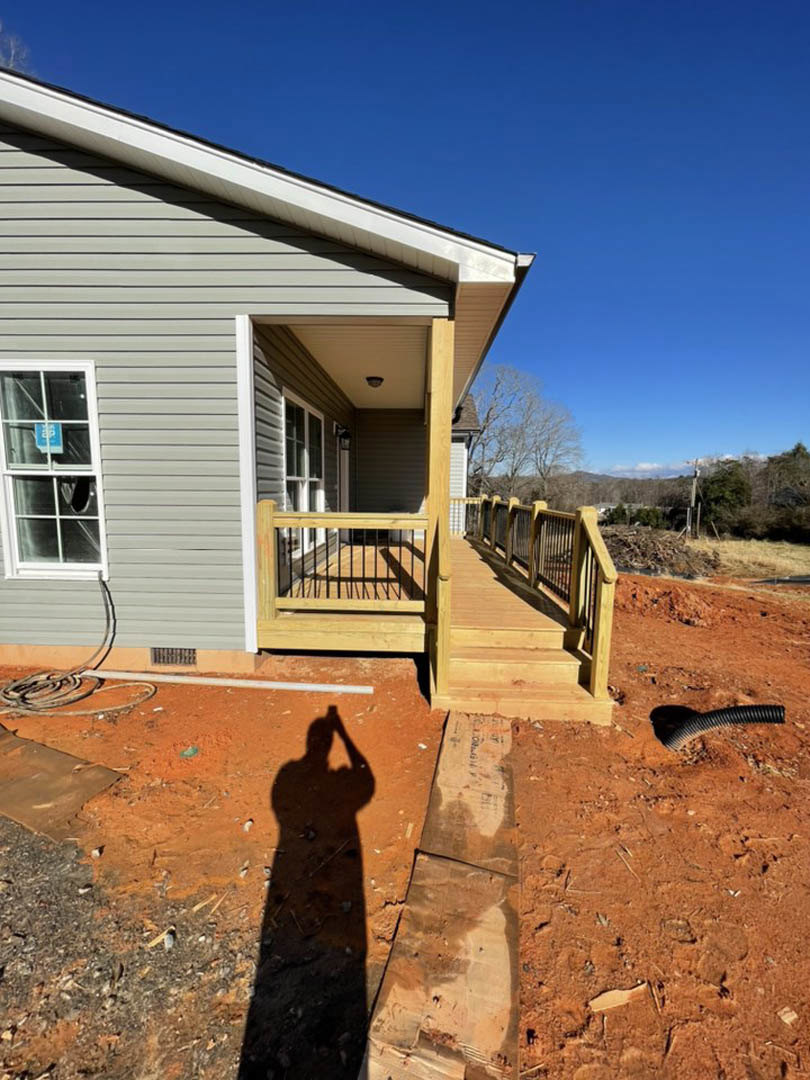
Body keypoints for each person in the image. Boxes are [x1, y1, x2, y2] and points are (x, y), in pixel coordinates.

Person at [239, 705, 375, 1078]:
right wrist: (346, 738)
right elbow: (366, 783)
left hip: (292, 870)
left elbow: (281, 806)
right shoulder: (306, 776)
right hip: (325, 872)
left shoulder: (289, 774)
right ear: (327, 744)